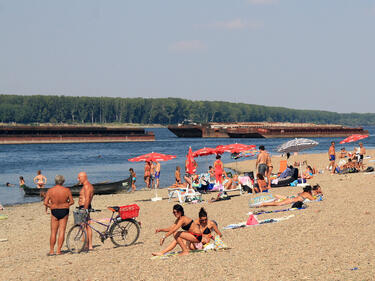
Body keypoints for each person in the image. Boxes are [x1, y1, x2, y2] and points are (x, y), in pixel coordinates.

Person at [43, 175, 74, 255]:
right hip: (64, 210)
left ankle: (51, 250)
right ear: (63, 181)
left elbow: (45, 203)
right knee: (62, 231)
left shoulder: (50, 190)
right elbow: (72, 201)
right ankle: (58, 251)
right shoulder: (66, 190)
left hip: (54, 210)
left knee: (53, 232)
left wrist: (51, 206)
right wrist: (67, 205)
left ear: (55, 181)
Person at [77, 172, 94, 251]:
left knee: (84, 226)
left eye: (79, 178)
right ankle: (88, 245)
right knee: (87, 226)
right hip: (85, 206)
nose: (78, 179)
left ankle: (87, 245)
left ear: (84, 177)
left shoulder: (87, 186)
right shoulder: (88, 185)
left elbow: (87, 198)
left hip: (84, 207)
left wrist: (85, 209)